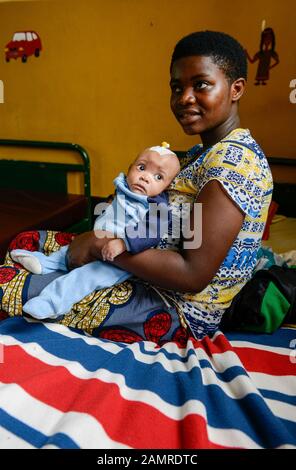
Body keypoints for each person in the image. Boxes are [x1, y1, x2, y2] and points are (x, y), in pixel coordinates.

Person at [0, 30, 273, 342]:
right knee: (29, 240)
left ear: (236, 89)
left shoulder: (234, 162)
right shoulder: (203, 154)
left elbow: (193, 274)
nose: (184, 97)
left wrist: (98, 245)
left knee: (6, 280)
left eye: (201, 84)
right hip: (141, 261)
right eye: (176, 87)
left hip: (175, 309)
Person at [9, 143, 180, 319]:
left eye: (158, 177)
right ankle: (46, 263)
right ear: (130, 168)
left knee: (85, 277)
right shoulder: (125, 187)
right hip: (97, 240)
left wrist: (123, 243)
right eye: (141, 167)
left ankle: (51, 303)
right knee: (68, 250)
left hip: (120, 258)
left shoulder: (157, 206)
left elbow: (151, 231)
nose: (145, 177)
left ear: (166, 187)